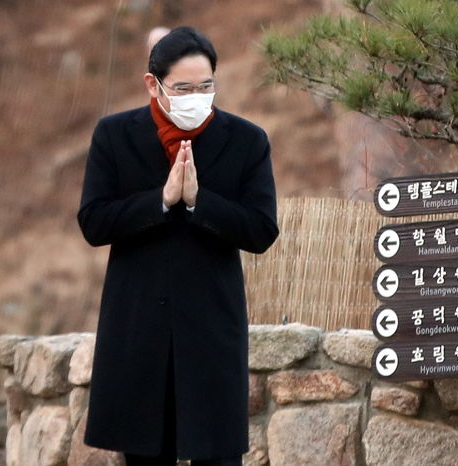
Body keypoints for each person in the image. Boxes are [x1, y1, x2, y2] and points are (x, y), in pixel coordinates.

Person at [77, 26, 279, 466]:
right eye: (183, 88)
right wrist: (162, 200)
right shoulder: (114, 135)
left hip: (211, 330)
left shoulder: (247, 141)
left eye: (206, 86)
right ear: (154, 84)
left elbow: (262, 230)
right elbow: (93, 222)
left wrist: (198, 201)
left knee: (218, 453)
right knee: (145, 452)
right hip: (137, 329)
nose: (196, 96)